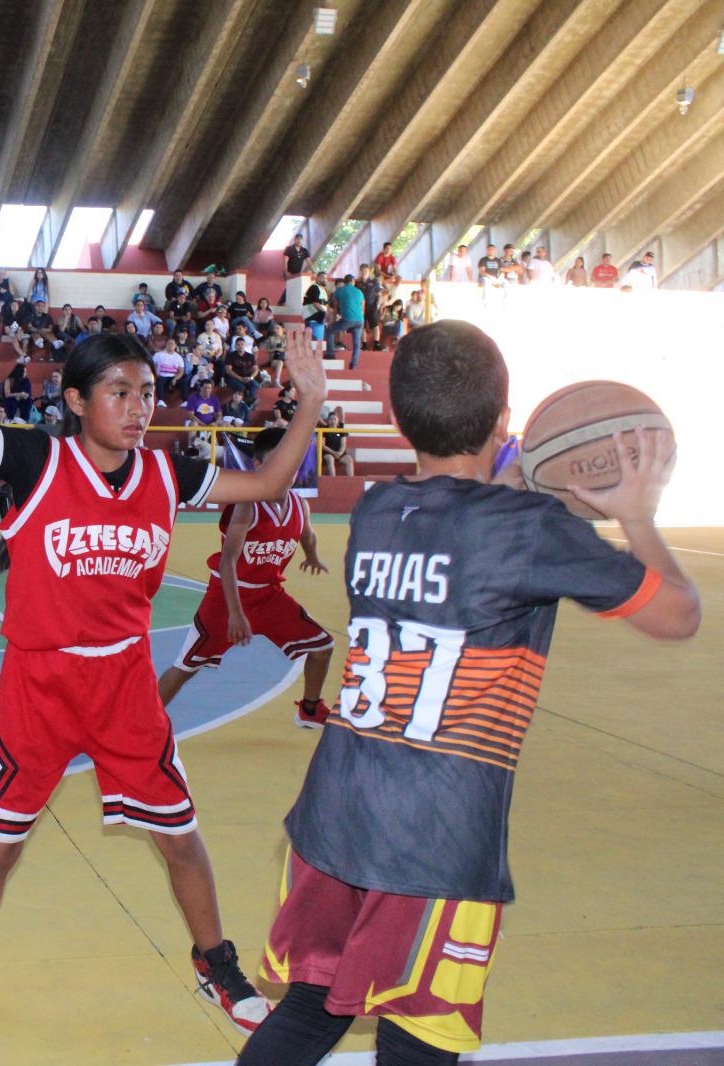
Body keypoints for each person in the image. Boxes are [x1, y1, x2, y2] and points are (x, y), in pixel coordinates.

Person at [0, 262, 329, 1048]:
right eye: (119, 391)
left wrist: (311, 402)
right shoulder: (33, 460)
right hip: (39, 682)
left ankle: (214, 958)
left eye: (147, 392)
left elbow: (264, 485)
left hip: (123, 682)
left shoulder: (167, 471)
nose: (138, 407)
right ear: (76, 401)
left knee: (180, 835)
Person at [237, 320, 698, 1065]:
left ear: (395, 421)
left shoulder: (376, 511)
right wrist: (637, 516)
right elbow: (678, 615)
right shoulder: (532, 530)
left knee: (311, 1008)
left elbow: (463, 510)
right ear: (505, 421)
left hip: (334, 813)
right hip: (437, 836)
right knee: (420, 1036)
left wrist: (518, 477)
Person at [159, 426, 334, 725]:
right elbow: (227, 562)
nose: (286, 471)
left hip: (269, 595)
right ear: (258, 465)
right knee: (186, 666)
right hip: (228, 598)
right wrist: (236, 614)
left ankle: (309, 709)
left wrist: (312, 556)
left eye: (290, 464)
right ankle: (142, 721)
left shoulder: (299, 504)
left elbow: (308, 534)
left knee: (322, 646)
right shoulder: (247, 504)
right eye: (277, 464)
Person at [330, 275, 365, 370]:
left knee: (330, 331)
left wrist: (334, 321)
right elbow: (362, 308)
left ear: (344, 282)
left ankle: (329, 354)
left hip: (347, 319)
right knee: (357, 344)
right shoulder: (359, 292)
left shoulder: (339, 291)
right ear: (353, 281)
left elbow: (335, 308)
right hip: (360, 320)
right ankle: (353, 364)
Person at [319, 407, 353, 476]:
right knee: (330, 458)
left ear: (338, 420)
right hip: (328, 453)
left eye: (334, 419)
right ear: (328, 420)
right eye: (331, 419)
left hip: (339, 453)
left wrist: (339, 453)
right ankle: (333, 480)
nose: (333, 421)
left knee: (349, 459)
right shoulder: (324, 430)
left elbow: (343, 444)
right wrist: (334, 453)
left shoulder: (340, 430)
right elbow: (322, 445)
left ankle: (351, 480)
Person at [282, 233, 312, 302]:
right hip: (289, 271)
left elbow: (309, 262)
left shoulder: (304, 250)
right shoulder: (289, 249)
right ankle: (282, 301)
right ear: (295, 239)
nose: (299, 241)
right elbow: (285, 261)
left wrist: (313, 271)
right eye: (298, 239)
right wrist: (286, 272)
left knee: (294, 286)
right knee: (290, 285)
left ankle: (284, 301)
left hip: (298, 273)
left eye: (301, 239)